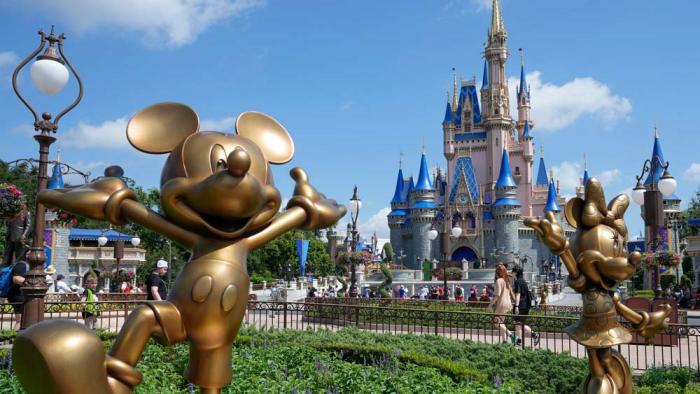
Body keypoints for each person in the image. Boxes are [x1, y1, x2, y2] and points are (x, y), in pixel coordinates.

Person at [511, 266, 540, 346]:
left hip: (520, 305)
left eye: (513, 271)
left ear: (516, 272)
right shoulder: (524, 281)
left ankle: (519, 342)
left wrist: (516, 306)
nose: (512, 273)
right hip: (526, 305)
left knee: (517, 323)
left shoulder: (517, 282)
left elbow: (518, 294)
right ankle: (534, 335)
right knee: (520, 323)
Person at [489, 263, 516, 345]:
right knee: (501, 323)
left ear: (498, 272)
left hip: (501, 304)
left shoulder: (499, 281)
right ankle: (504, 341)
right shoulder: (506, 280)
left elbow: (497, 295)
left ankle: (511, 335)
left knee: (497, 322)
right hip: (508, 304)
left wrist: (490, 305)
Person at [7, 258, 28, 330]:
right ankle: (13, 339)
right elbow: (16, 278)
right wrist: (32, 283)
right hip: (18, 296)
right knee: (20, 321)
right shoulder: (21, 265)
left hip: (21, 296)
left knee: (23, 321)